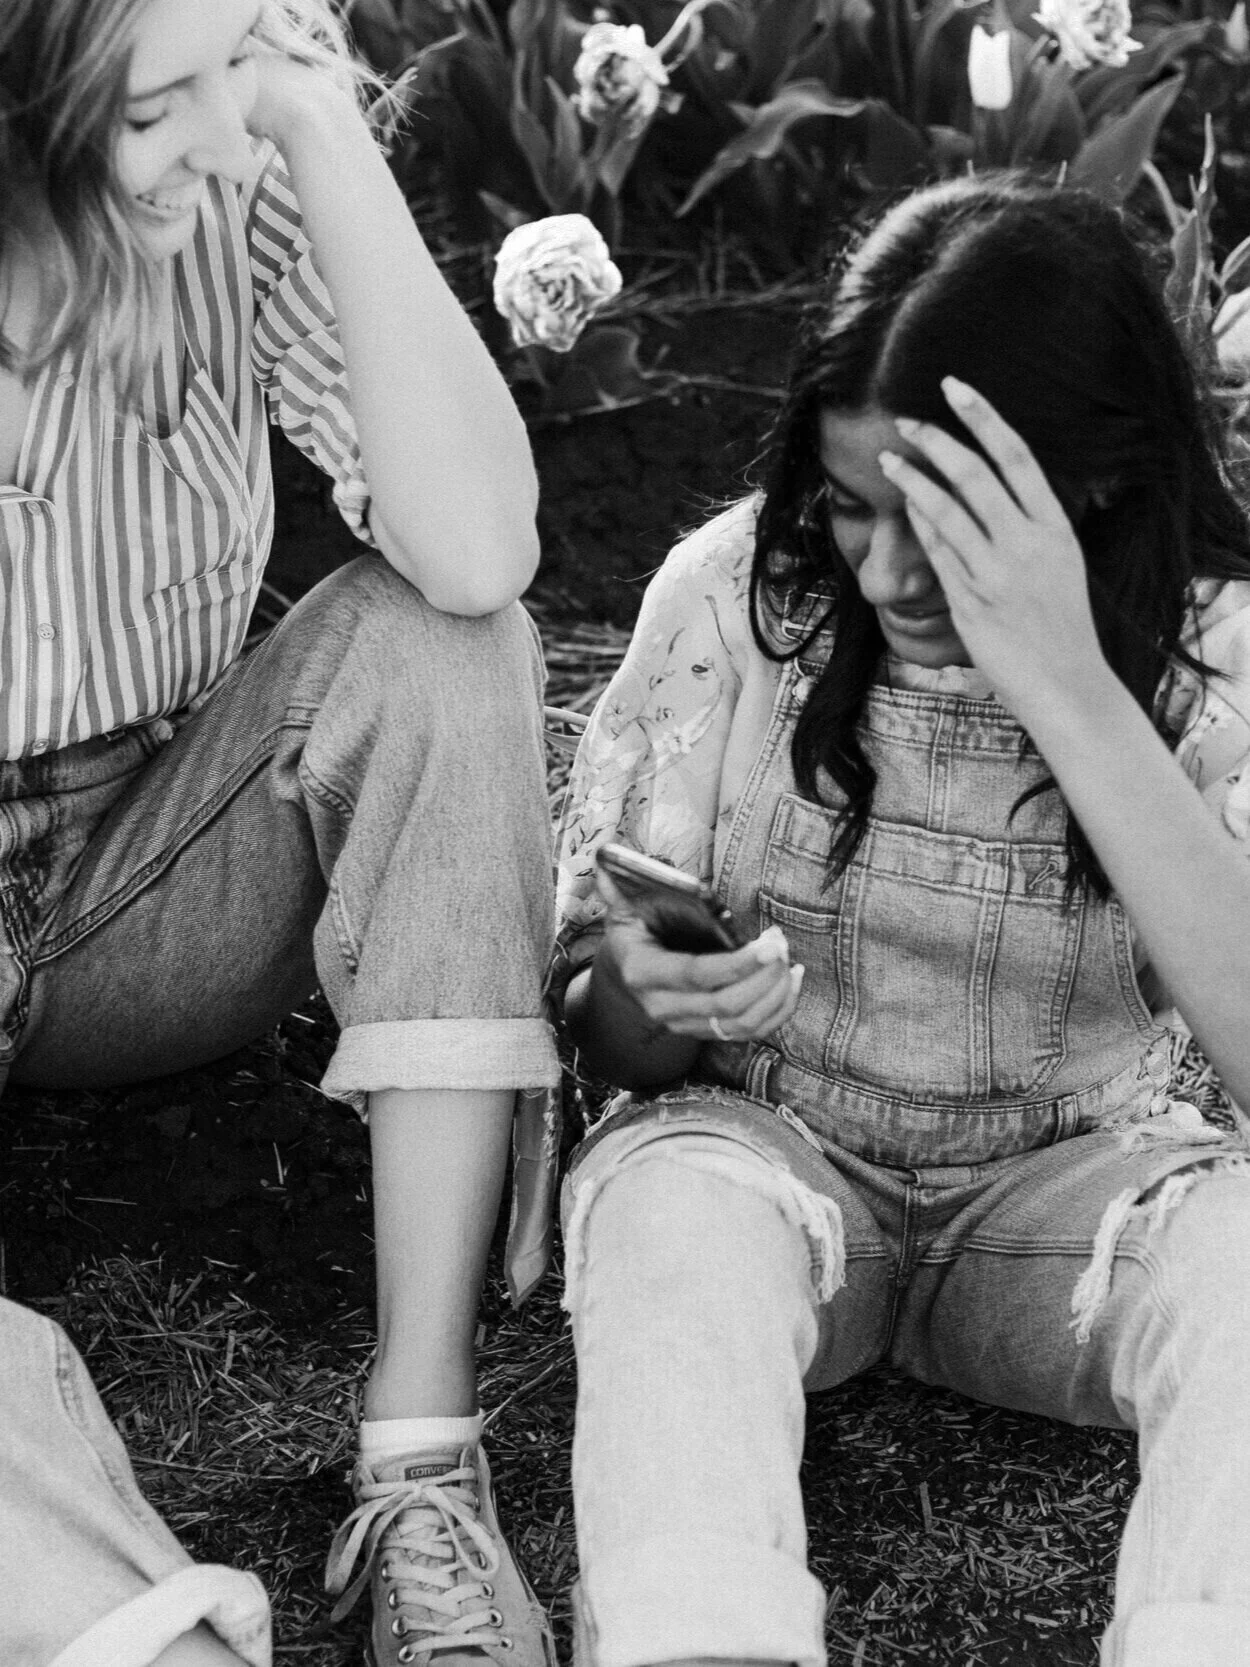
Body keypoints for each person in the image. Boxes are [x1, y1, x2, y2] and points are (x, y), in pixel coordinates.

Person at [554, 173, 1250, 1667]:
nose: (880, 570)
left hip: (1073, 1197)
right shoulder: (739, 598)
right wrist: (643, 996)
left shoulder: (1212, 654)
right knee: (661, 1203)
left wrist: (1066, 678)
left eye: (937, 525)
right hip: (771, 1164)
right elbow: (606, 1034)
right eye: (851, 506)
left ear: (1091, 482)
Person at [0, 2, 559, 1663]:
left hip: (145, 865)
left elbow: (477, 546)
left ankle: (422, 1459)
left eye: (238, 61)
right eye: (155, 106)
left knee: (450, 641)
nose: (222, 130)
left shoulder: (241, 150)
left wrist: (312, 126)